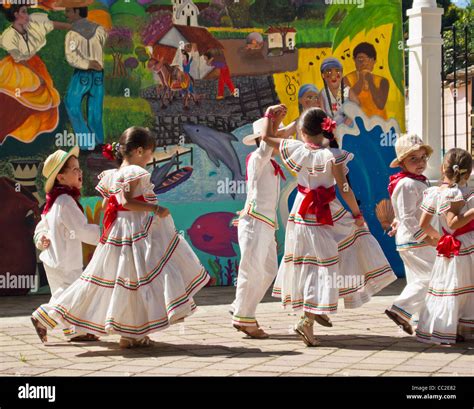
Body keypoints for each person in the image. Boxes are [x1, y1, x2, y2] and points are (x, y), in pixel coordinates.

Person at [47, 127, 210, 348]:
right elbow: (126, 203)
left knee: (123, 280)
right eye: (151, 153)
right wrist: (155, 209)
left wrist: (114, 218)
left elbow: (107, 204)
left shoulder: (112, 175)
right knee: (139, 279)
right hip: (133, 231)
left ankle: (130, 333)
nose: (151, 158)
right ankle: (131, 332)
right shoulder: (133, 172)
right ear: (140, 151)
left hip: (118, 231)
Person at [262, 106, 396, 347]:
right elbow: (345, 188)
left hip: (303, 212)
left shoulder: (296, 150)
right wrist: (357, 214)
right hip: (327, 211)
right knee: (328, 261)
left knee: (312, 263)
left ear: (302, 132)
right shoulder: (332, 155)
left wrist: (271, 118)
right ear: (326, 129)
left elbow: (267, 138)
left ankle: (317, 307)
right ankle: (307, 319)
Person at [31, 147, 101, 343]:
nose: (80, 173)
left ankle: (76, 331)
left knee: (64, 296)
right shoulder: (65, 202)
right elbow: (81, 229)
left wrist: (41, 238)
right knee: (73, 296)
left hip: (53, 259)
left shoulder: (52, 203)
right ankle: (42, 317)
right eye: (74, 170)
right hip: (66, 261)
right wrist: (103, 235)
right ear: (60, 178)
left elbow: (40, 227)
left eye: (79, 169)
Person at [231, 111, 288, 339]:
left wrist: (304, 118)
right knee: (252, 270)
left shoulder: (271, 161)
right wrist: (270, 116)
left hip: (265, 223)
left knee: (268, 270)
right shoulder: (258, 156)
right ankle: (244, 318)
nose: (279, 139)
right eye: (274, 134)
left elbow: (279, 137)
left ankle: (240, 306)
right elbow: (267, 143)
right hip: (255, 221)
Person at [416, 148, 474, 345]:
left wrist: (440, 239)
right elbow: (453, 222)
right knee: (462, 285)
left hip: (451, 247)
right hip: (464, 245)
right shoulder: (454, 193)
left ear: (443, 168)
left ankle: (454, 326)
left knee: (453, 286)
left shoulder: (436, 192)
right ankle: (457, 327)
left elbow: (423, 224)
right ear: (469, 171)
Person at [384, 134, 437, 335]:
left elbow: (403, 214)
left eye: (423, 157)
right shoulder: (407, 184)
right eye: (413, 159)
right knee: (432, 279)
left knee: (418, 280)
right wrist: (425, 236)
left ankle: (421, 320)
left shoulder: (416, 182)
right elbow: (407, 215)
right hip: (416, 241)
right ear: (402, 162)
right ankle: (401, 309)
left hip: (414, 240)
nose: (421, 162)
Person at [0, 5, 69, 144]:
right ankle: (5, 133)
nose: (28, 15)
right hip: (17, 69)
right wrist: (38, 76)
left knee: (40, 99)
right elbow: (20, 60)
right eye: (24, 12)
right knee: (13, 99)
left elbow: (51, 24)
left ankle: (25, 138)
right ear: (15, 14)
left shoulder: (32, 25)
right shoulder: (8, 36)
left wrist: (72, 26)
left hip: (34, 64)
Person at [61, 0, 107, 150]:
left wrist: (87, 63)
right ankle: (99, 143)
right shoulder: (100, 30)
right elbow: (101, 47)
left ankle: (87, 144)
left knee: (71, 104)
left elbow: (71, 57)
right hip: (99, 75)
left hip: (82, 74)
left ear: (76, 11)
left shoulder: (72, 34)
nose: (65, 14)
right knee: (95, 109)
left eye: (68, 11)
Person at [344, 42, 389, 120]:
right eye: (360, 59)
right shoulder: (347, 79)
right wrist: (361, 80)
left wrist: (370, 82)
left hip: (379, 124)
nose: (365, 63)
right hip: (356, 125)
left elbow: (380, 104)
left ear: (374, 61)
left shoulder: (383, 81)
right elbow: (347, 101)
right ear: (354, 60)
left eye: (369, 59)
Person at [319, 57, 350, 126]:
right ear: (323, 75)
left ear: (342, 74)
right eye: (329, 71)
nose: (333, 75)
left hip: (348, 128)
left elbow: (354, 111)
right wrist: (331, 128)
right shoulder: (323, 93)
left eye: (337, 71)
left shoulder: (348, 91)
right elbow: (323, 114)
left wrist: (344, 128)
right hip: (331, 130)